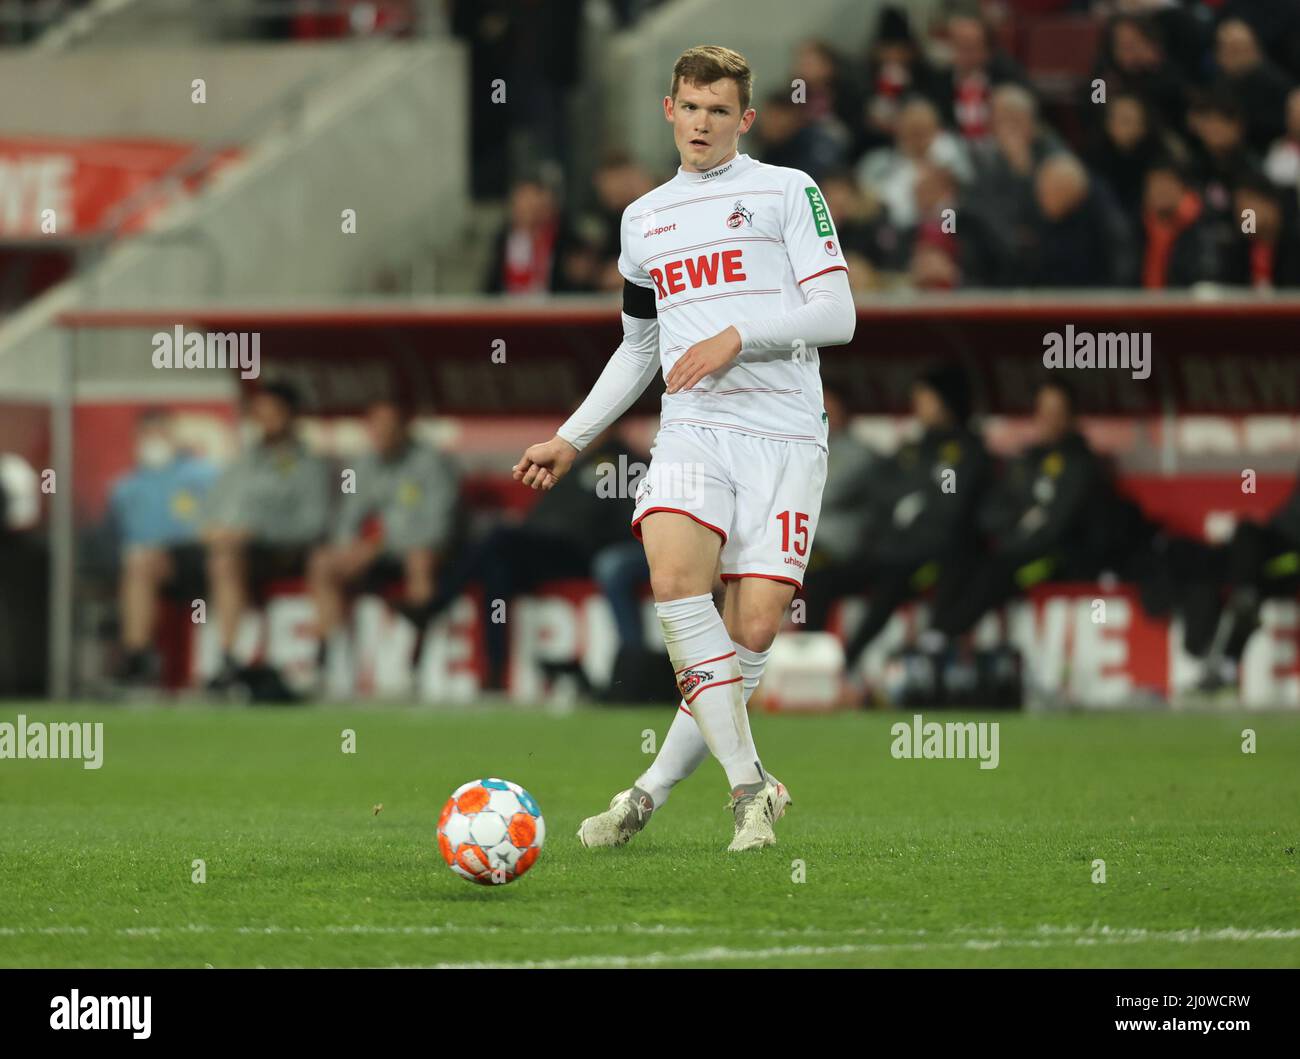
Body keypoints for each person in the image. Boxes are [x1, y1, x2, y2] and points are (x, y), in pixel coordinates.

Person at [513, 45, 855, 852]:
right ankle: (748, 791)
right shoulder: (644, 220)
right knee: (673, 579)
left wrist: (742, 334)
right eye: (689, 107)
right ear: (669, 110)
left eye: (718, 110)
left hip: (785, 435)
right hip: (694, 430)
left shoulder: (786, 192)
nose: (701, 123)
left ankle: (647, 791)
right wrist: (571, 437)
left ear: (745, 119)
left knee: (757, 629)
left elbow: (838, 314)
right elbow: (638, 347)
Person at [416, 428, 637, 693]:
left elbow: (626, 518)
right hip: (545, 549)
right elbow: (544, 509)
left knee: (499, 539)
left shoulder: (625, 462)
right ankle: (496, 673)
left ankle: (434, 604)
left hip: (581, 551)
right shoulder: (574, 461)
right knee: (497, 571)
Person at [835, 364, 990, 673]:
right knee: (824, 579)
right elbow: (881, 493)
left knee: (892, 582)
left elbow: (948, 510)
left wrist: (910, 513)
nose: (918, 405)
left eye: (925, 397)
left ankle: (847, 664)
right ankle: (812, 659)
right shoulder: (913, 448)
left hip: (932, 557)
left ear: (945, 401)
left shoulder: (966, 451)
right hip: (891, 548)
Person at [307, 397, 460, 675]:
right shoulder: (364, 464)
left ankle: (416, 661)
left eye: (389, 427)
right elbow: (347, 515)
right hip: (380, 552)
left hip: (429, 550)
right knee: (323, 562)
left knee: (420, 559)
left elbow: (438, 527)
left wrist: (377, 546)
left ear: (405, 428)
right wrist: (349, 547)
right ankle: (328, 658)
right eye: (376, 427)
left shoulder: (433, 463)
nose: (381, 434)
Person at [203, 381, 331, 691]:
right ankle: (144, 660)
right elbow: (211, 508)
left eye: (272, 412)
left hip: (282, 551)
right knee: (145, 559)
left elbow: (314, 523)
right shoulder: (243, 462)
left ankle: (233, 655)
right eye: (259, 412)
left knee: (227, 560)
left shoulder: (308, 465)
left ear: (290, 415)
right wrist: (210, 529)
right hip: (228, 548)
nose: (264, 419)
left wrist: (256, 532)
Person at [109, 410, 218, 685]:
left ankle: (137, 659)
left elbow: (219, 522)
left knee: (142, 562)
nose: (154, 441)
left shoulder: (203, 475)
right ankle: (137, 657)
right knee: (138, 563)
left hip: (196, 558)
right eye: (148, 434)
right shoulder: (125, 487)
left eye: (161, 433)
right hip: (144, 564)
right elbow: (115, 535)